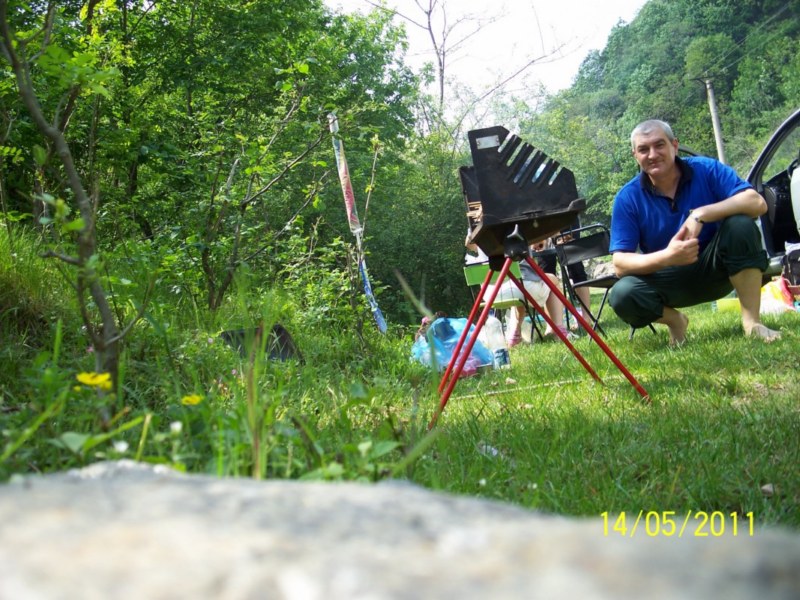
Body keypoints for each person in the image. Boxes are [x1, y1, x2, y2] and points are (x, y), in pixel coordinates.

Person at [608, 119, 781, 345]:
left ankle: (752, 323)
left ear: (674, 145)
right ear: (635, 155)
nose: (652, 154)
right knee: (621, 294)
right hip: (666, 279)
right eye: (643, 149)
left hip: (718, 269)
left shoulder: (707, 169)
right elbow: (620, 263)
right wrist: (668, 257)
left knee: (740, 224)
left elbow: (756, 203)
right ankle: (676, 321)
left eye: (659, 145)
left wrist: (701, 213)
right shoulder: (627, 198)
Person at [465, 234, 572, 346]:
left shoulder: (478, 227)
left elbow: (469, 243)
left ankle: (514, 335)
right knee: (553, 280)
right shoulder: (514, 225)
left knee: (517, 291)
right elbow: (537, 241)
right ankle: (558, 330)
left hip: (491, 292)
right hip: (520, 284)